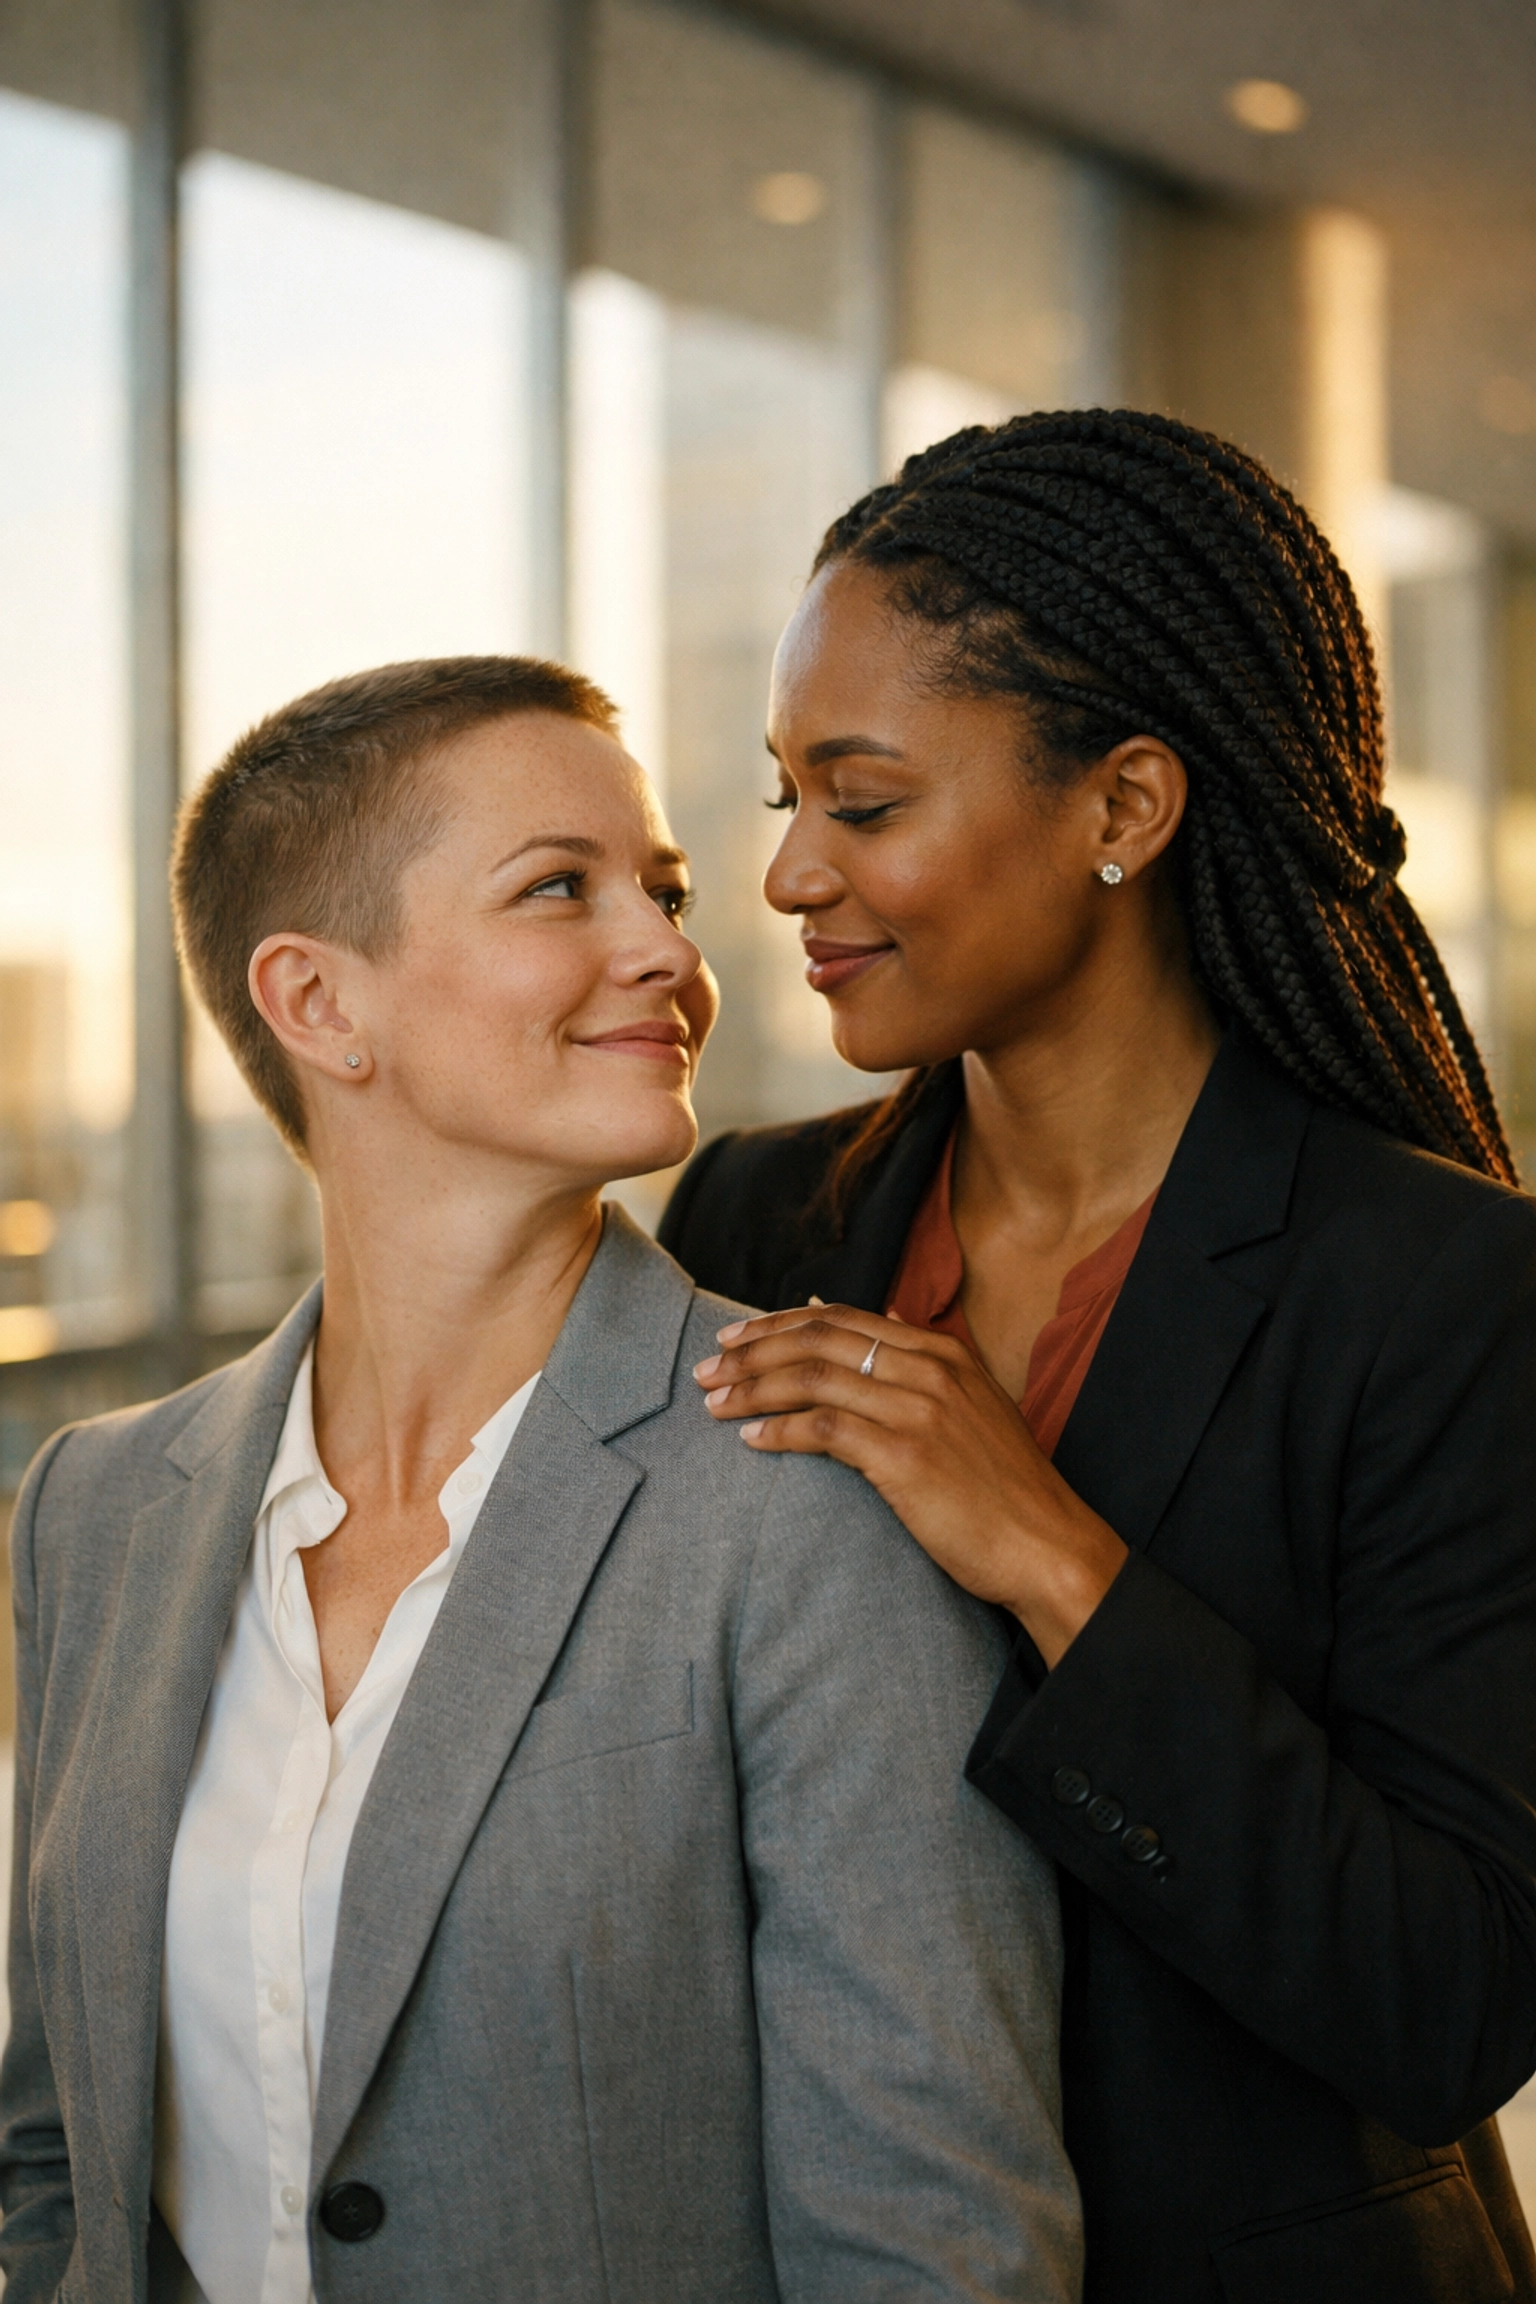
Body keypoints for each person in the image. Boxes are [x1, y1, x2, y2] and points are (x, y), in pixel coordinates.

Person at [0, 657, 1083, 2303]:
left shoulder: (809, 1495)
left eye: (661, 890)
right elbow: (51, 2159)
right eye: (559, 890)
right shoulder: (91, 1510)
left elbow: (936, 2245)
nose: (666, 947)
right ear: (317, 1004)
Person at [660, 410, 1536, 2304]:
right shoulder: (745, 1230)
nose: (792, 877)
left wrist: (1055, 1558)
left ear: (1126, 809)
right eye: (781, 798)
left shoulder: (1443, 1293)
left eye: (865, 802)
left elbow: (1450, 2003)